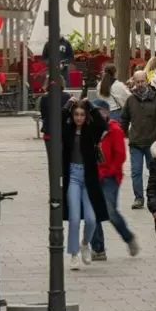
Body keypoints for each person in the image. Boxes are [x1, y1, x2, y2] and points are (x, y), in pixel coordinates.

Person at [88, 99, 139, 260]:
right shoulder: (90, 130)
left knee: (110, 212)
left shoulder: (115, 130)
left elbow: (120, 156)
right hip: (93, 176)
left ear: (107, 113)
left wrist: (109, 171)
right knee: (93, 213)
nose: (98, 115)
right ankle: (98, 249)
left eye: (101, 111)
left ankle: (128, 238)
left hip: (110, 177)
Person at [62, 97, 108, 270]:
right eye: (76, 114)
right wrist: (67, 106)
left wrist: (92, 106)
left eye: (82, 114)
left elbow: (104, 125)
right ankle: (74, 253)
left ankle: (84, 244)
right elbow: (56, 122)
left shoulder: (90, 130)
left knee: (91, 219)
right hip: (72, 176)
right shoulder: (67, 130)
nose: (79, 118)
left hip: (88, 178)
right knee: (74, 218)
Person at [120, 70, 156, 209]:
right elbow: (124, 118)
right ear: (134, 82)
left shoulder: (155, 97)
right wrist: (123, 134)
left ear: (147, 81)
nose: (140, 84)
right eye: (137, 82)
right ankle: (138, 198)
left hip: (152, 143)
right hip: (135, 142)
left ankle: (153, 198)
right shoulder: (131, 100)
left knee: (153, 171)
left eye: (142, 81)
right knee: (136, 172)